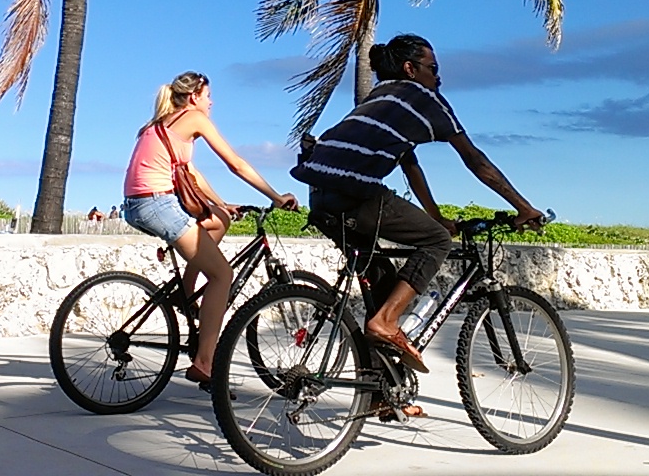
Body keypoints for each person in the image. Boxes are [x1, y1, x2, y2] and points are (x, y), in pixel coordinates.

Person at [292, 34, 543, 374]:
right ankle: (386, 321)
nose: (439, 77)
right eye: (433, 68)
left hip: (320, 194)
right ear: (411, 69)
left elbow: (410, 165)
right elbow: (474, 159)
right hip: (355, 192)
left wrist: (435, 215)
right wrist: (523, 207)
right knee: (436, 241)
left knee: (382, 282)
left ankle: (378, 388)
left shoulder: (382, 96)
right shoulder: (424, 98)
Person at [121, 71, 298, 387]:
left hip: (138, 205)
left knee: (218, 220)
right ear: (194, 97)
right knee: (222, 275)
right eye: (208, 96)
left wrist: (221, 203)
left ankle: (186, 292)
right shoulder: (193, 118)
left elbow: (192, 175)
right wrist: (275, 196)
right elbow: (236, 164)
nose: (211, 102)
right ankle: (205, 363)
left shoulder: (161, 124)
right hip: (158, 204)